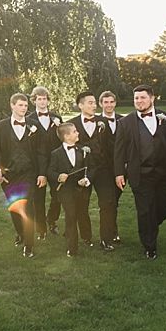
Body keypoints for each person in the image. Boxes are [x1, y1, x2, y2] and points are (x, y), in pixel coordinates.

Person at [114, 85, 166, 260]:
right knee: (145, 210)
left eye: (142, 97)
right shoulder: (125, 123)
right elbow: (119, 151)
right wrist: (119, 173)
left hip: (165, 172)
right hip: (140, 173)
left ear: (152, 98)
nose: (139, 101)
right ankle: (150, 246)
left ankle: (149, 226)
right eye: (136, 98)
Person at [0, 93, 46, 258]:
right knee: (15, 208)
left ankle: (29, 246)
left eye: (25, 106)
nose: (23, 108)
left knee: (28, 207)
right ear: (12, 106)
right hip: (9, 174)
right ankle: (21, 233)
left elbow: (42, 152)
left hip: (29, 173)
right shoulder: (0, 126)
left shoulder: (34, 125)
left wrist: (42, 173)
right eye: (20, 105)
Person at [48, 122, 92, 257]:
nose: (78, 133)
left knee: (83, 212)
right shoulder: (56, 154)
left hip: (80, 189)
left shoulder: (81, 151)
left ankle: (87, 237)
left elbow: (87, 169)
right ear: (67, 136)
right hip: (65, 191)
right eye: (74, 131)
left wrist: (85, 179)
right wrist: (58, 176)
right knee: (71, 215)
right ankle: (72, 247)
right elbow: (50, 171)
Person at [25, 86, 62, 240]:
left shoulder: (56, 117)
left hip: (55, 163)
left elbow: (63, 137)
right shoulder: (28, 119)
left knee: (58, 194)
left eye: (44, 98)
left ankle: (52, 220)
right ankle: (41, 228)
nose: (42, 101)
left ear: (48, 100)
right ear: (34, 101)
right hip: (37, 164)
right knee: (38, 197)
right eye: (39, 99)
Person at [66, 91, 102, 250]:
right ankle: (86, 236)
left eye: (95, 103)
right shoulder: (71, 124)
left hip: (103, 169)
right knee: (82, 204)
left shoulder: (103, 122)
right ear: (80, 105)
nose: (94, 106)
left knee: (108, 203)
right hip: (82, 171)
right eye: (90, 103)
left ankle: (110, 235)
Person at [95, 90, 123, 249]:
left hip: (119, 169)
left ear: (115, 103)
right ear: (101, 104)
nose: (109, 105)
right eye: (106, 102)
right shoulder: (96, 121)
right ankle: (105, 238)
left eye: (111, 102)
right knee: (106, 202)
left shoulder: (123, 120)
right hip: (102, 170)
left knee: (114, 202)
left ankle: (113, 230)